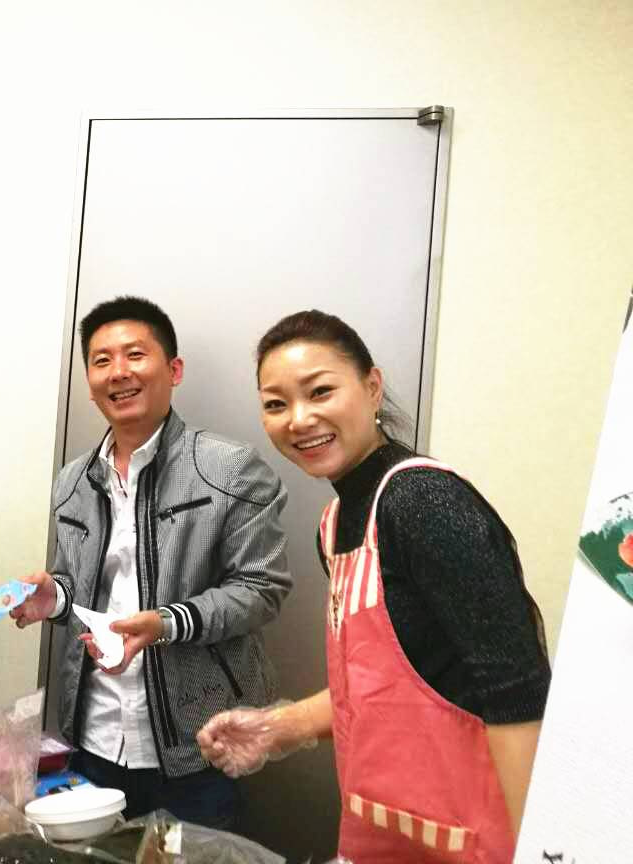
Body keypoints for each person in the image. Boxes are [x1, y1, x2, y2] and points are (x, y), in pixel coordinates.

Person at [197, 310, 551, 862]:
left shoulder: (423, 501)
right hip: (382, 834)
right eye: (276, 404)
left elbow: (518, 692)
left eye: (320, 391)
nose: (300, 419)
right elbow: (381, 688)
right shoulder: (336, 524)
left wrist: (542, 849)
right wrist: (278, 727)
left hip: (473, 840)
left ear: (372, 386)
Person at [10, 296, 291, 828]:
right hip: (91, 738)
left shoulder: (229, 469)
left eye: (135, 354)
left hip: (198, 746)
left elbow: (261, 588)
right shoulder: (73, 481)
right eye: (102, 360)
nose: (118, 372)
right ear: (89, 381)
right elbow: (85, 589)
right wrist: (56, 598)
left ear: (174, 370)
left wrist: (166, 623)